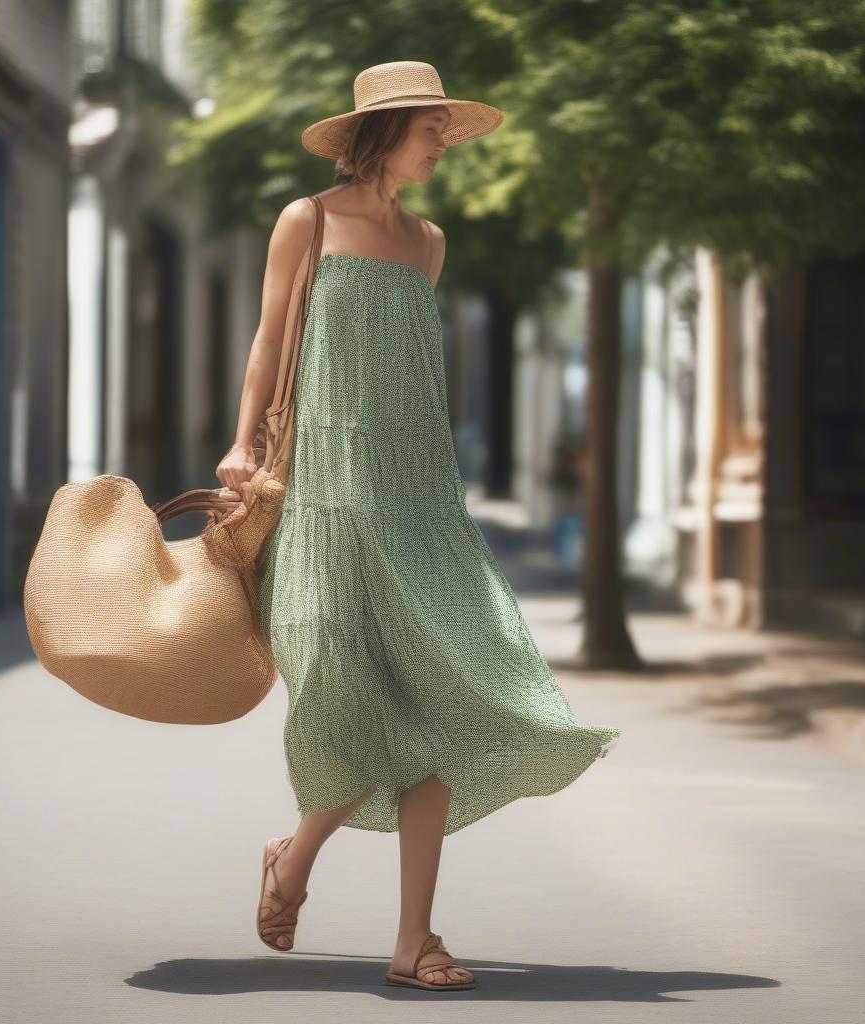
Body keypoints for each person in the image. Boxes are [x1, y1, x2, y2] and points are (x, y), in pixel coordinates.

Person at [216, 61, 621, 992]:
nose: (444, 143)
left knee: (439, 706)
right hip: (321, 492)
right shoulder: (307, 220)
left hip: (418, 500)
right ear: (382, 131)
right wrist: (240, 447)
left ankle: (412, 942)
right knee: (350, 703)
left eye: (445, 128)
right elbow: (272, 339)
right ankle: (297, 855)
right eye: (430, 128)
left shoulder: (429, 243)